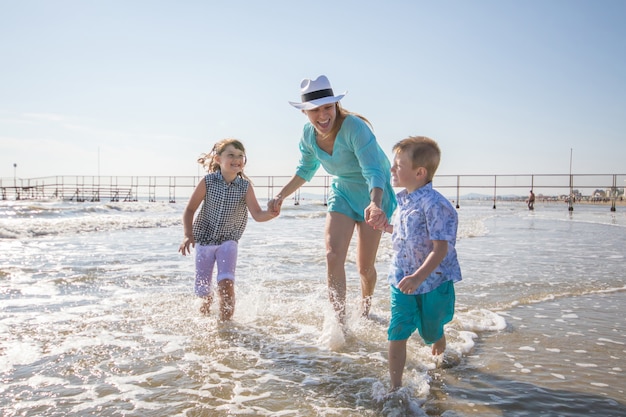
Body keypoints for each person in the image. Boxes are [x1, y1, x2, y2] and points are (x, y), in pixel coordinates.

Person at [268, 75, 397, 322]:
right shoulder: (308, 135)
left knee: (364, 267)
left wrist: (375, 204)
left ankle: (365, 308)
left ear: (335, 106)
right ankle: (339, 323)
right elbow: (305, 170)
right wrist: (281, 195)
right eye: (314, 110)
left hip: (374, 192)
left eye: (327, 107)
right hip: (342, 192)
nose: (323, 115)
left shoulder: (354, 127)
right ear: (305, 112)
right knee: (332, 255)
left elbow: (374, 171)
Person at [373, 136, 462, 391]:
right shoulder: (403, 202)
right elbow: (408, 235)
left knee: (429, 331)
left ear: (419, 172)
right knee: (397, 329)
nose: (392, 169)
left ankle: (438, 335)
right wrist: (387, 227)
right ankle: (395, 387)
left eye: (398, 165)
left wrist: (419, 277)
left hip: (432, 281)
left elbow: (440, 249)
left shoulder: (436, 205)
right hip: (401, 277)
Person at [179, 138, 278, 321]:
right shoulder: (208, 182)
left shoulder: (245, 187)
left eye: (240, 155)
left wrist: (271, 213)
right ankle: (205, 322)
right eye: (231, 155)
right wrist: (187, 235)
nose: (237, 159)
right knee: (204, 291)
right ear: (218, 159)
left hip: (228, 241)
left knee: (226, 283)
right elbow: (190, 209)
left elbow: (257, 214)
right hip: (204, 240)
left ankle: (226, 325)